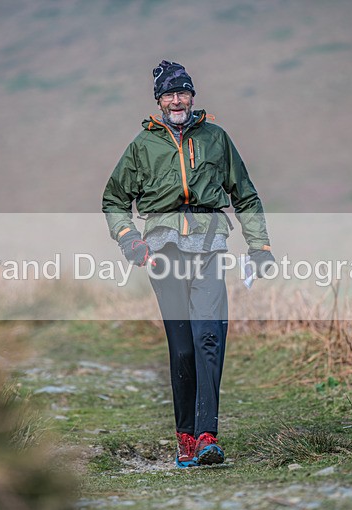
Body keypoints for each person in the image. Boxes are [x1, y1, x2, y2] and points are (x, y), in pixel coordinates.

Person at [102, 60, 274, 468]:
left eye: (183, 92)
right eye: (168, 94)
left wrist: (259, 247)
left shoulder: (216, 138)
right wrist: (130, 239)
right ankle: (185, 439)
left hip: (210, 247)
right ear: (159, 101)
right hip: (163, 253)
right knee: (182, 349)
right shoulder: (142, 147)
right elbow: (113, 201)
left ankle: (207, 436)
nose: (176, 100)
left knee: (208, 338)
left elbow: (245, 196)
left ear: (192, 97)